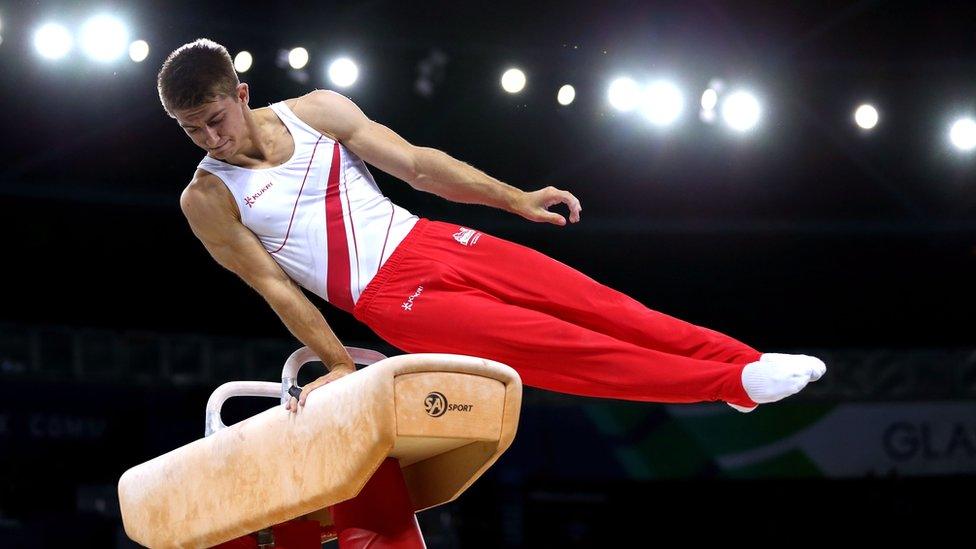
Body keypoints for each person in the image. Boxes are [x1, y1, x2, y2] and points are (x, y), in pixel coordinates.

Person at [158, 38, 825, 415]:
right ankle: (727, 385)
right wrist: (337, 362)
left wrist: (512, 199)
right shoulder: (209, 197)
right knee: (564, 349)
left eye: (215, 118)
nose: (208, 138)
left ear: (241, 93)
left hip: (430, 239)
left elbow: (419, 165)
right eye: (190, 129)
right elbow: (277, 288)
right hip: (390, 300)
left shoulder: (316, 111)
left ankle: (742, 360)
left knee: (600, 304)